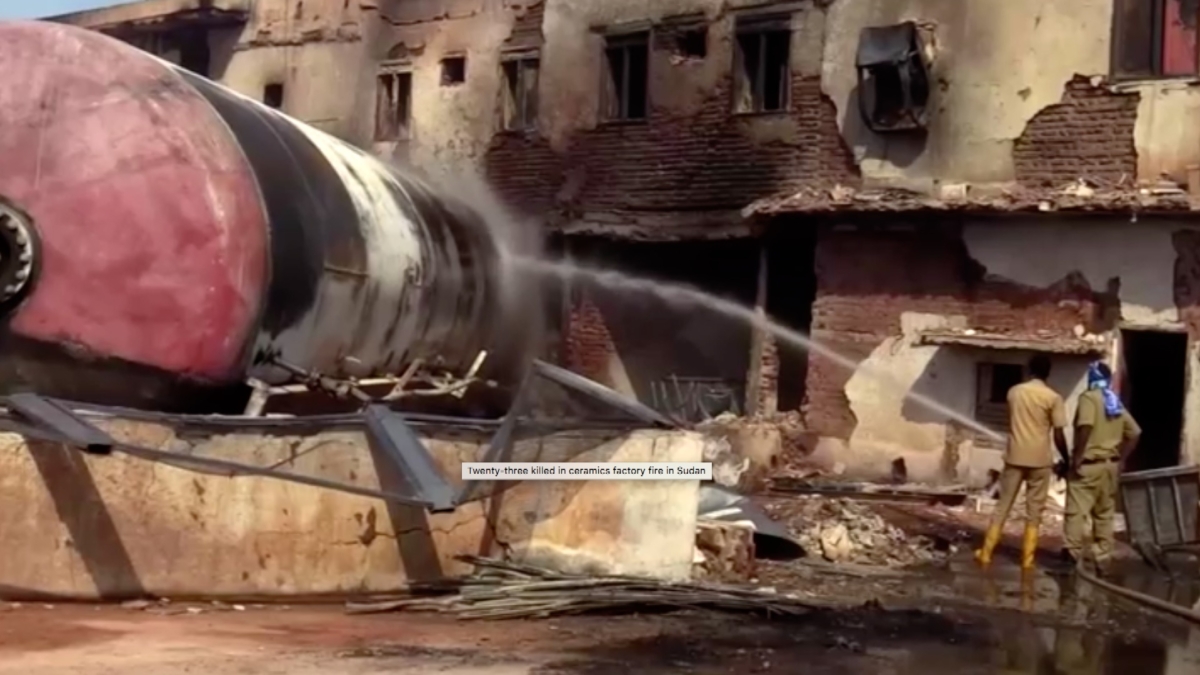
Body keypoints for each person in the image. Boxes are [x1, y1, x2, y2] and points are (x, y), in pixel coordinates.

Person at [975, 354, 1069, 569]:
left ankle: (986, 553)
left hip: (1015, 456)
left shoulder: (1014, 392)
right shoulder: (1053, 398)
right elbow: (1058, 434)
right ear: (1049, 373)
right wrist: (1067, 458)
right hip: (1040, 460)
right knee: (1034, 512)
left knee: (1003, 506)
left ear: (1029, 370)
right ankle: (1027, 561)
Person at [1063, 361, 1140, 574]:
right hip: (1110, 467)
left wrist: (1077, 458)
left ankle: (1071, 557)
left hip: (1088, 466)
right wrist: (1122, 459)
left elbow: (1085, 426)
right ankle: (1102, 559)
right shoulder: (1113, 401)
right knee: (1104, 514)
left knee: (1076, 512)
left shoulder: (1089, 398)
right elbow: (1135, 433)